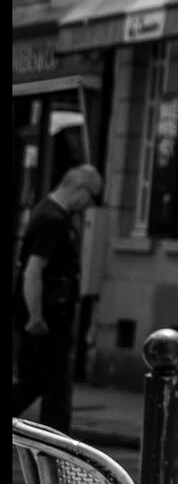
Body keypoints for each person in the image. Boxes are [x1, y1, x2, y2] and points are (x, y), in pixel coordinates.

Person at [14, 163, 102, 430]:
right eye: (92, 196)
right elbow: (33, 270)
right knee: (56, 394)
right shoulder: (53, 220)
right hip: (49, 320)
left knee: (33, 384)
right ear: (78, 189)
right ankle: (58, 455)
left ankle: (54, 451)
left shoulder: (47, 213)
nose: (90, 205)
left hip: (46, 317)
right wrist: (36, 316)